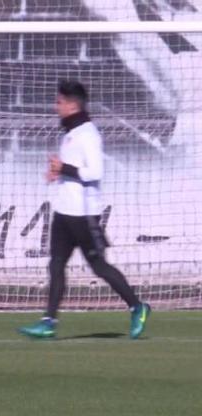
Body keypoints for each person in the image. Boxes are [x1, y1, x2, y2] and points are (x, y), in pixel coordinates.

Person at [19, 80, 150, 339]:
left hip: (84, 214)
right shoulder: (69, 133)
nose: (55, 106)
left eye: (59, 102)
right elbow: (74, 170)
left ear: (72, 104)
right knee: (56, 265)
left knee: (99, 267)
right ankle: (48, 322)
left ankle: (137, 307)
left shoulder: (89, 134)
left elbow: (94, 172)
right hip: (64, 212)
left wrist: (64, 169)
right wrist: (58, 173)